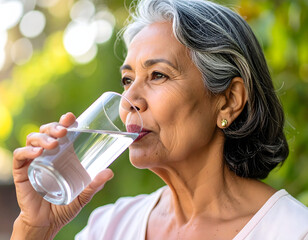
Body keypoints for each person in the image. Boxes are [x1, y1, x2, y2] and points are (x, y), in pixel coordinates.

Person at [11, 0, 308, 239]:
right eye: (127, 80)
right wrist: (34, 230)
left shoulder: (292, 230)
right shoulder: (110, 227)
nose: (129, 102)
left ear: (229, 101)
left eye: (158, 75)